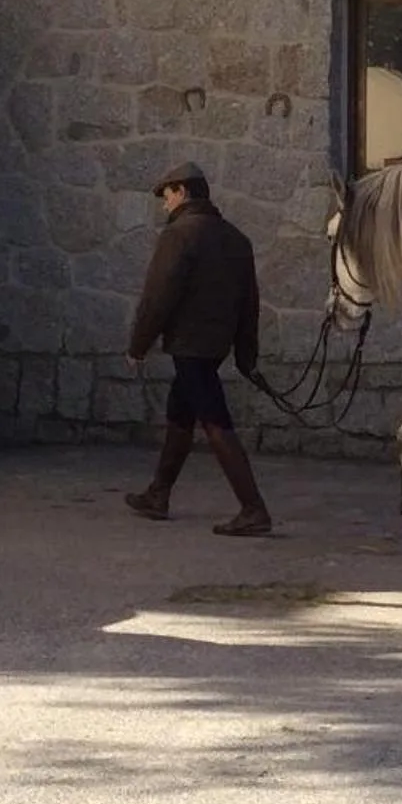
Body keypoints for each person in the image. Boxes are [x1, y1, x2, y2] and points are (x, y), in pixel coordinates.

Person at [123, 161, 272, 535]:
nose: (164, 205)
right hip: (215, 345)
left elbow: (158, 297)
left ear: (182, 192)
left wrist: (138, 346)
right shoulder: (237, 239)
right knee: (181, 414)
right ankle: (158, 493)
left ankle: (253, 509)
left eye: (167, 196)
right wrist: (246, 355)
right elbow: (248, 304)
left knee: (215, 422)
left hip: (189, 345)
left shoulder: (179, 236)